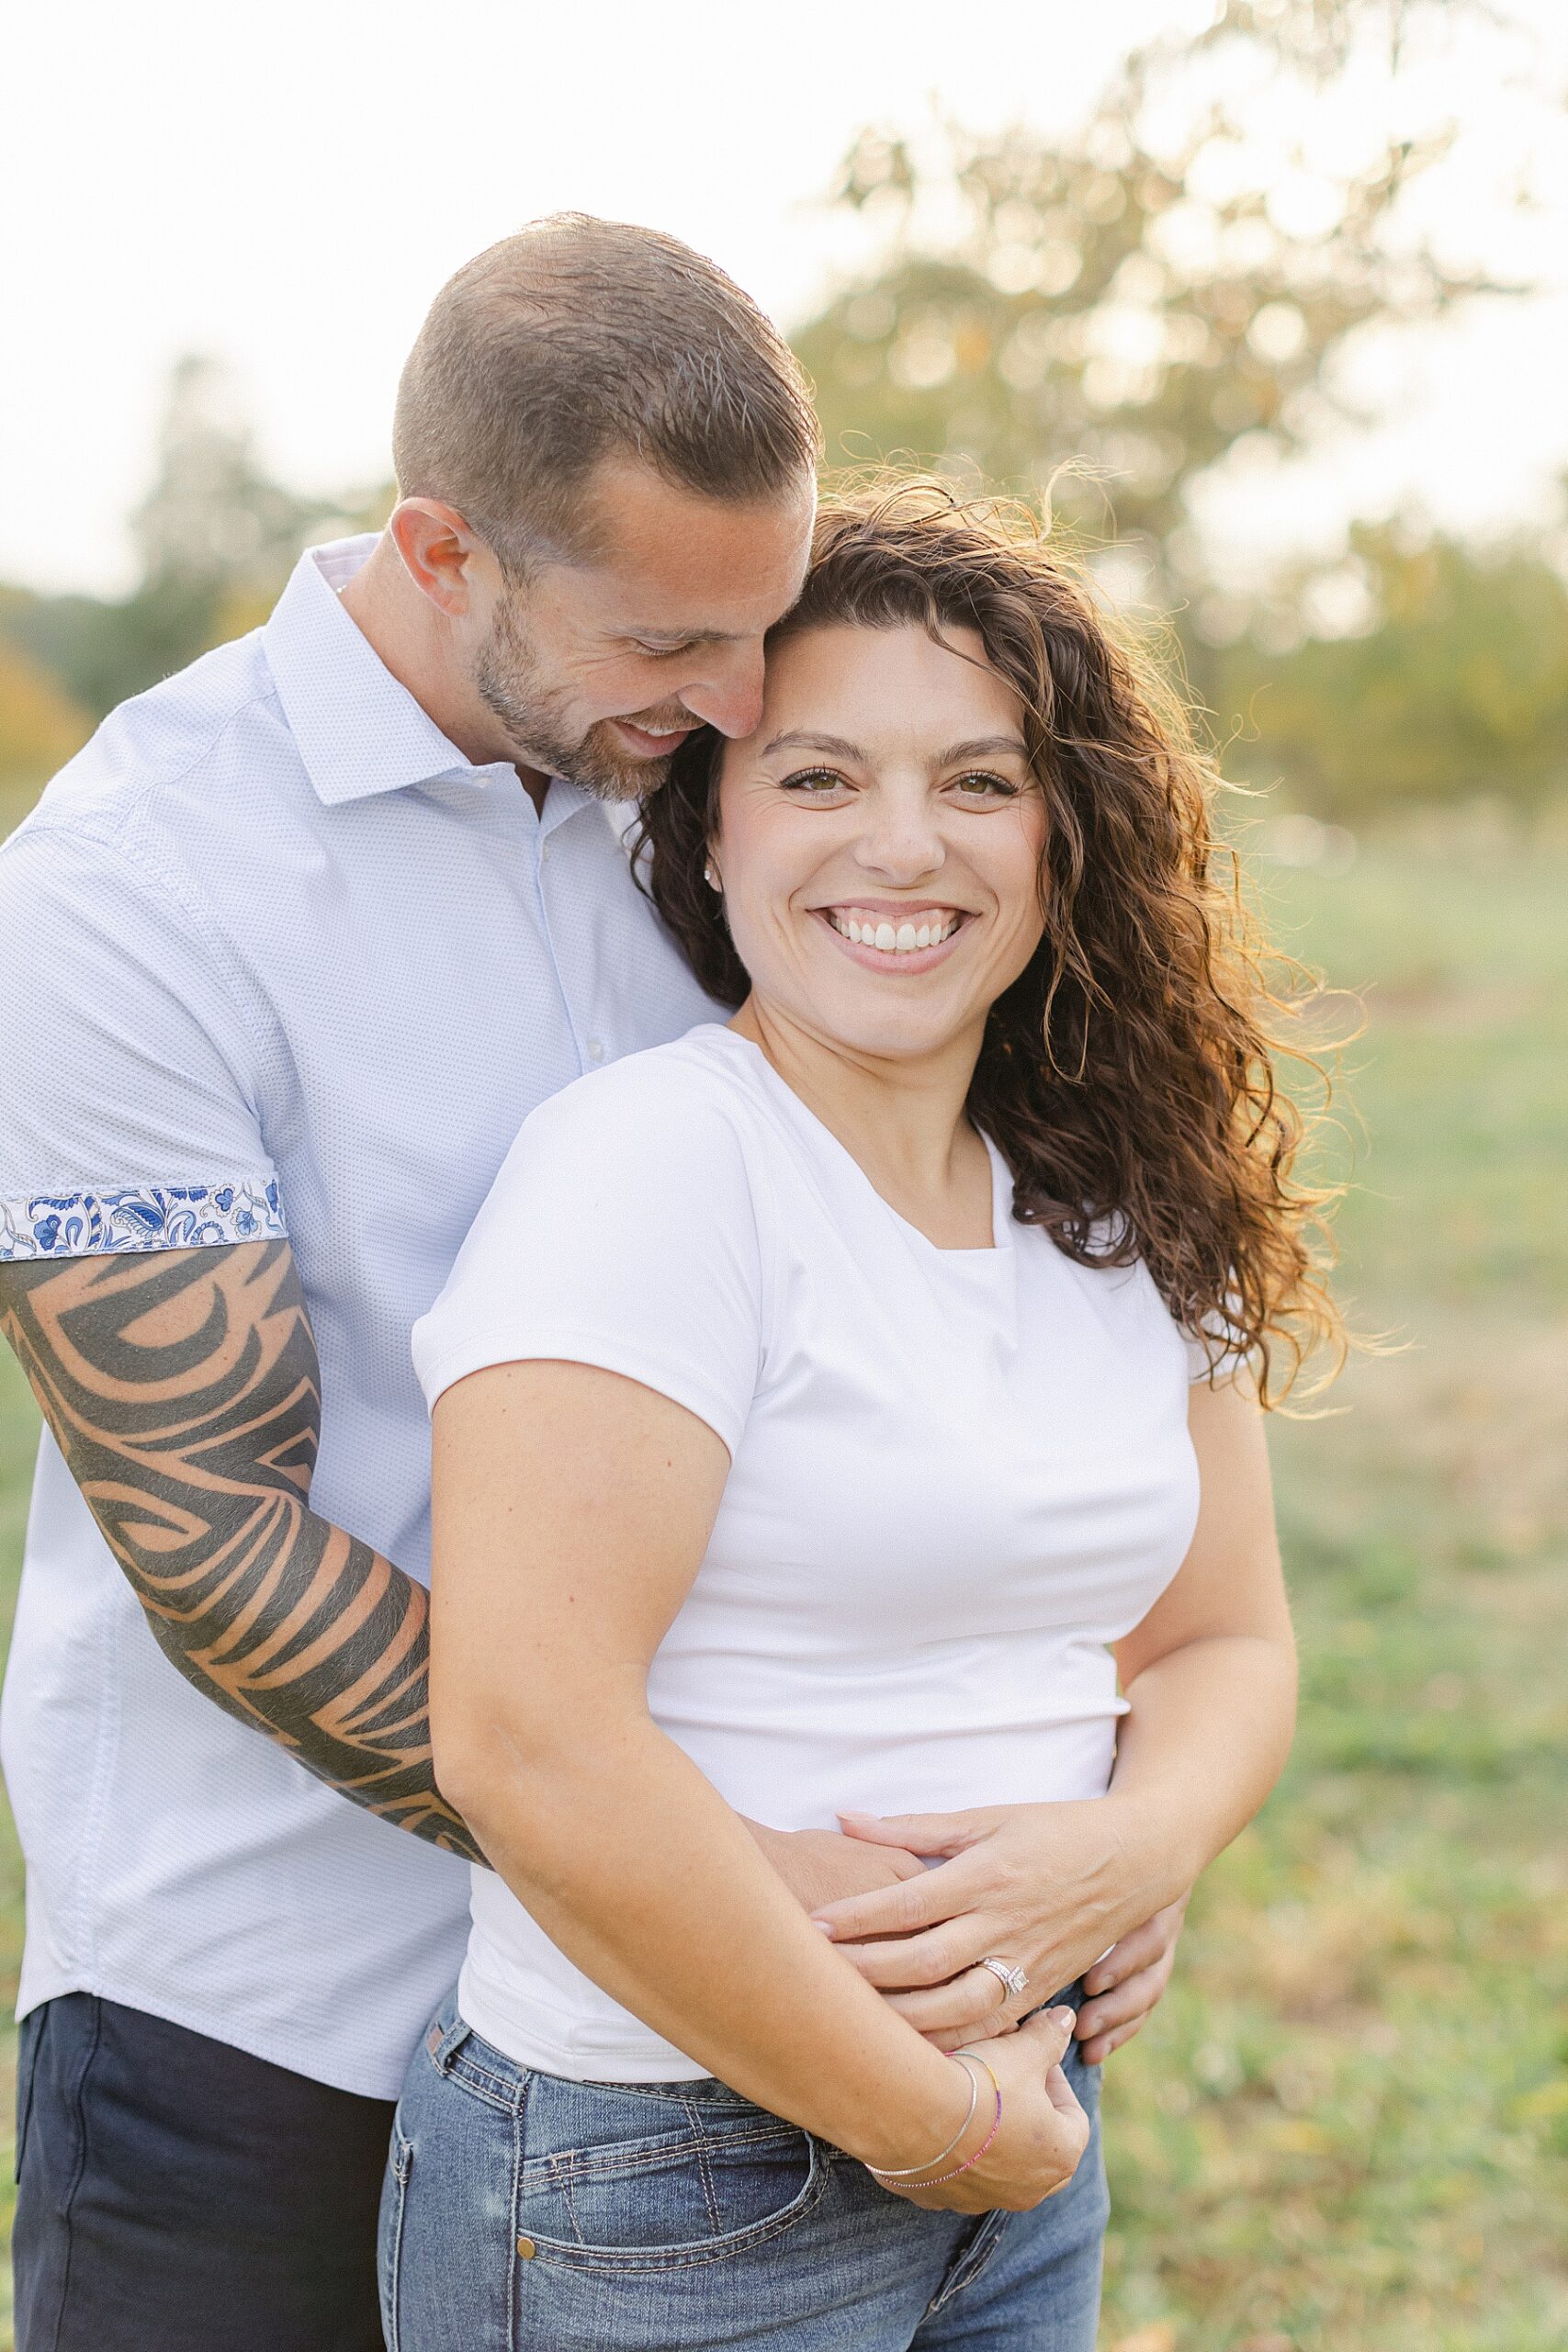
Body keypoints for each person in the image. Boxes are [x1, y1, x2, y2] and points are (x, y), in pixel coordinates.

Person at [0, 223, 1182, 2348]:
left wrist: (1080, 1835)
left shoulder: (691, 801)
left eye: (758, 629)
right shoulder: (125, 898)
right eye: (671, 637)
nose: (741, 701)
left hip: (725, 2034)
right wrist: (703, 1870)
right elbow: (216, 1537)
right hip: (269, 2004)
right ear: (443, 551)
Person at [388, 482, 1330, 2350]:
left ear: (1066, 834)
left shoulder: (1114, 1193)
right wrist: (919, 2115)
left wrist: (1129, 1850)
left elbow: (1221, 1637)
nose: (899, 845)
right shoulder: (657, 1166)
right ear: (711, 827)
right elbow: (524, 1737)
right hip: (656, 2171)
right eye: (817, 777)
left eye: (977, 781)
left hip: (1023, 2119)